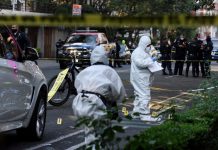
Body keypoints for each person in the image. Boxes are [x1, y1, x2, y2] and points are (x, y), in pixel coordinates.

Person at [72, 45, 126, 147]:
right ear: (105, 57)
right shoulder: (109, 70)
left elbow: (77, 86)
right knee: (99, 135)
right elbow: (119, 92)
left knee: (89, 131)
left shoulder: (85, 70)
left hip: (80, 102)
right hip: (97, 103)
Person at [130, 35, 162, 122]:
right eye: (148, 45)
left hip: (142, 78)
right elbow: (141, 63)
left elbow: (149, 58)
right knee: (144, 95)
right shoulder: (137, 52)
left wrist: (155, 58)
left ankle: (136, 112)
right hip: (140, 78)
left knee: (138, 95)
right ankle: (145, 115)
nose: (149, 47)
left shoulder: (144, 51)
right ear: (143, 44)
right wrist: (152, 60)